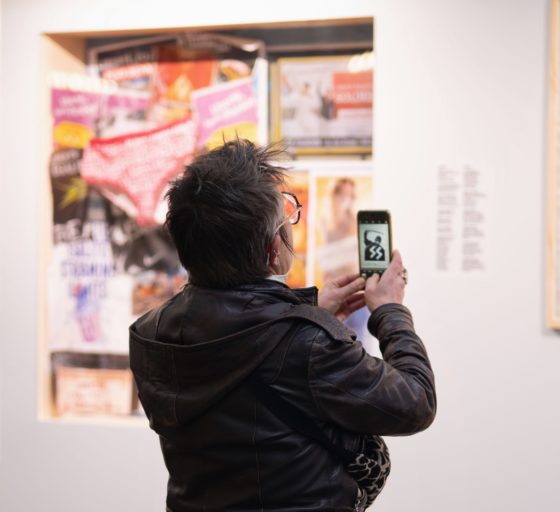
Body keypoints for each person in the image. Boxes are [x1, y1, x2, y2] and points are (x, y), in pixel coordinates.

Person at [129, 140, 436, 511]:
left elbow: (237, 343)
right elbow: (415, 403)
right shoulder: (307, 344)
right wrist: (389, 310)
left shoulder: (151, 333)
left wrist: (307, 311)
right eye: (288, 217)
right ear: (274, 249)